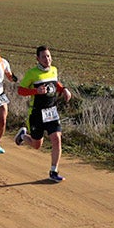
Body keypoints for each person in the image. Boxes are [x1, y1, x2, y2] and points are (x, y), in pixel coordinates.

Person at [14, 45, 72, 182]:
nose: (47, 59)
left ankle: (53, 171)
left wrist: (63, 89)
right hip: (36, 113)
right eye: (44, 57)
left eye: (49, 56)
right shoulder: (32, 73)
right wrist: (35, 91)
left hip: (51, 111)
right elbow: (20, 91)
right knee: (36, 145)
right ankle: (23, 136)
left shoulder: (54, 70)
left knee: (57, 139)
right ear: (37, 59)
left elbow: (55, 83)